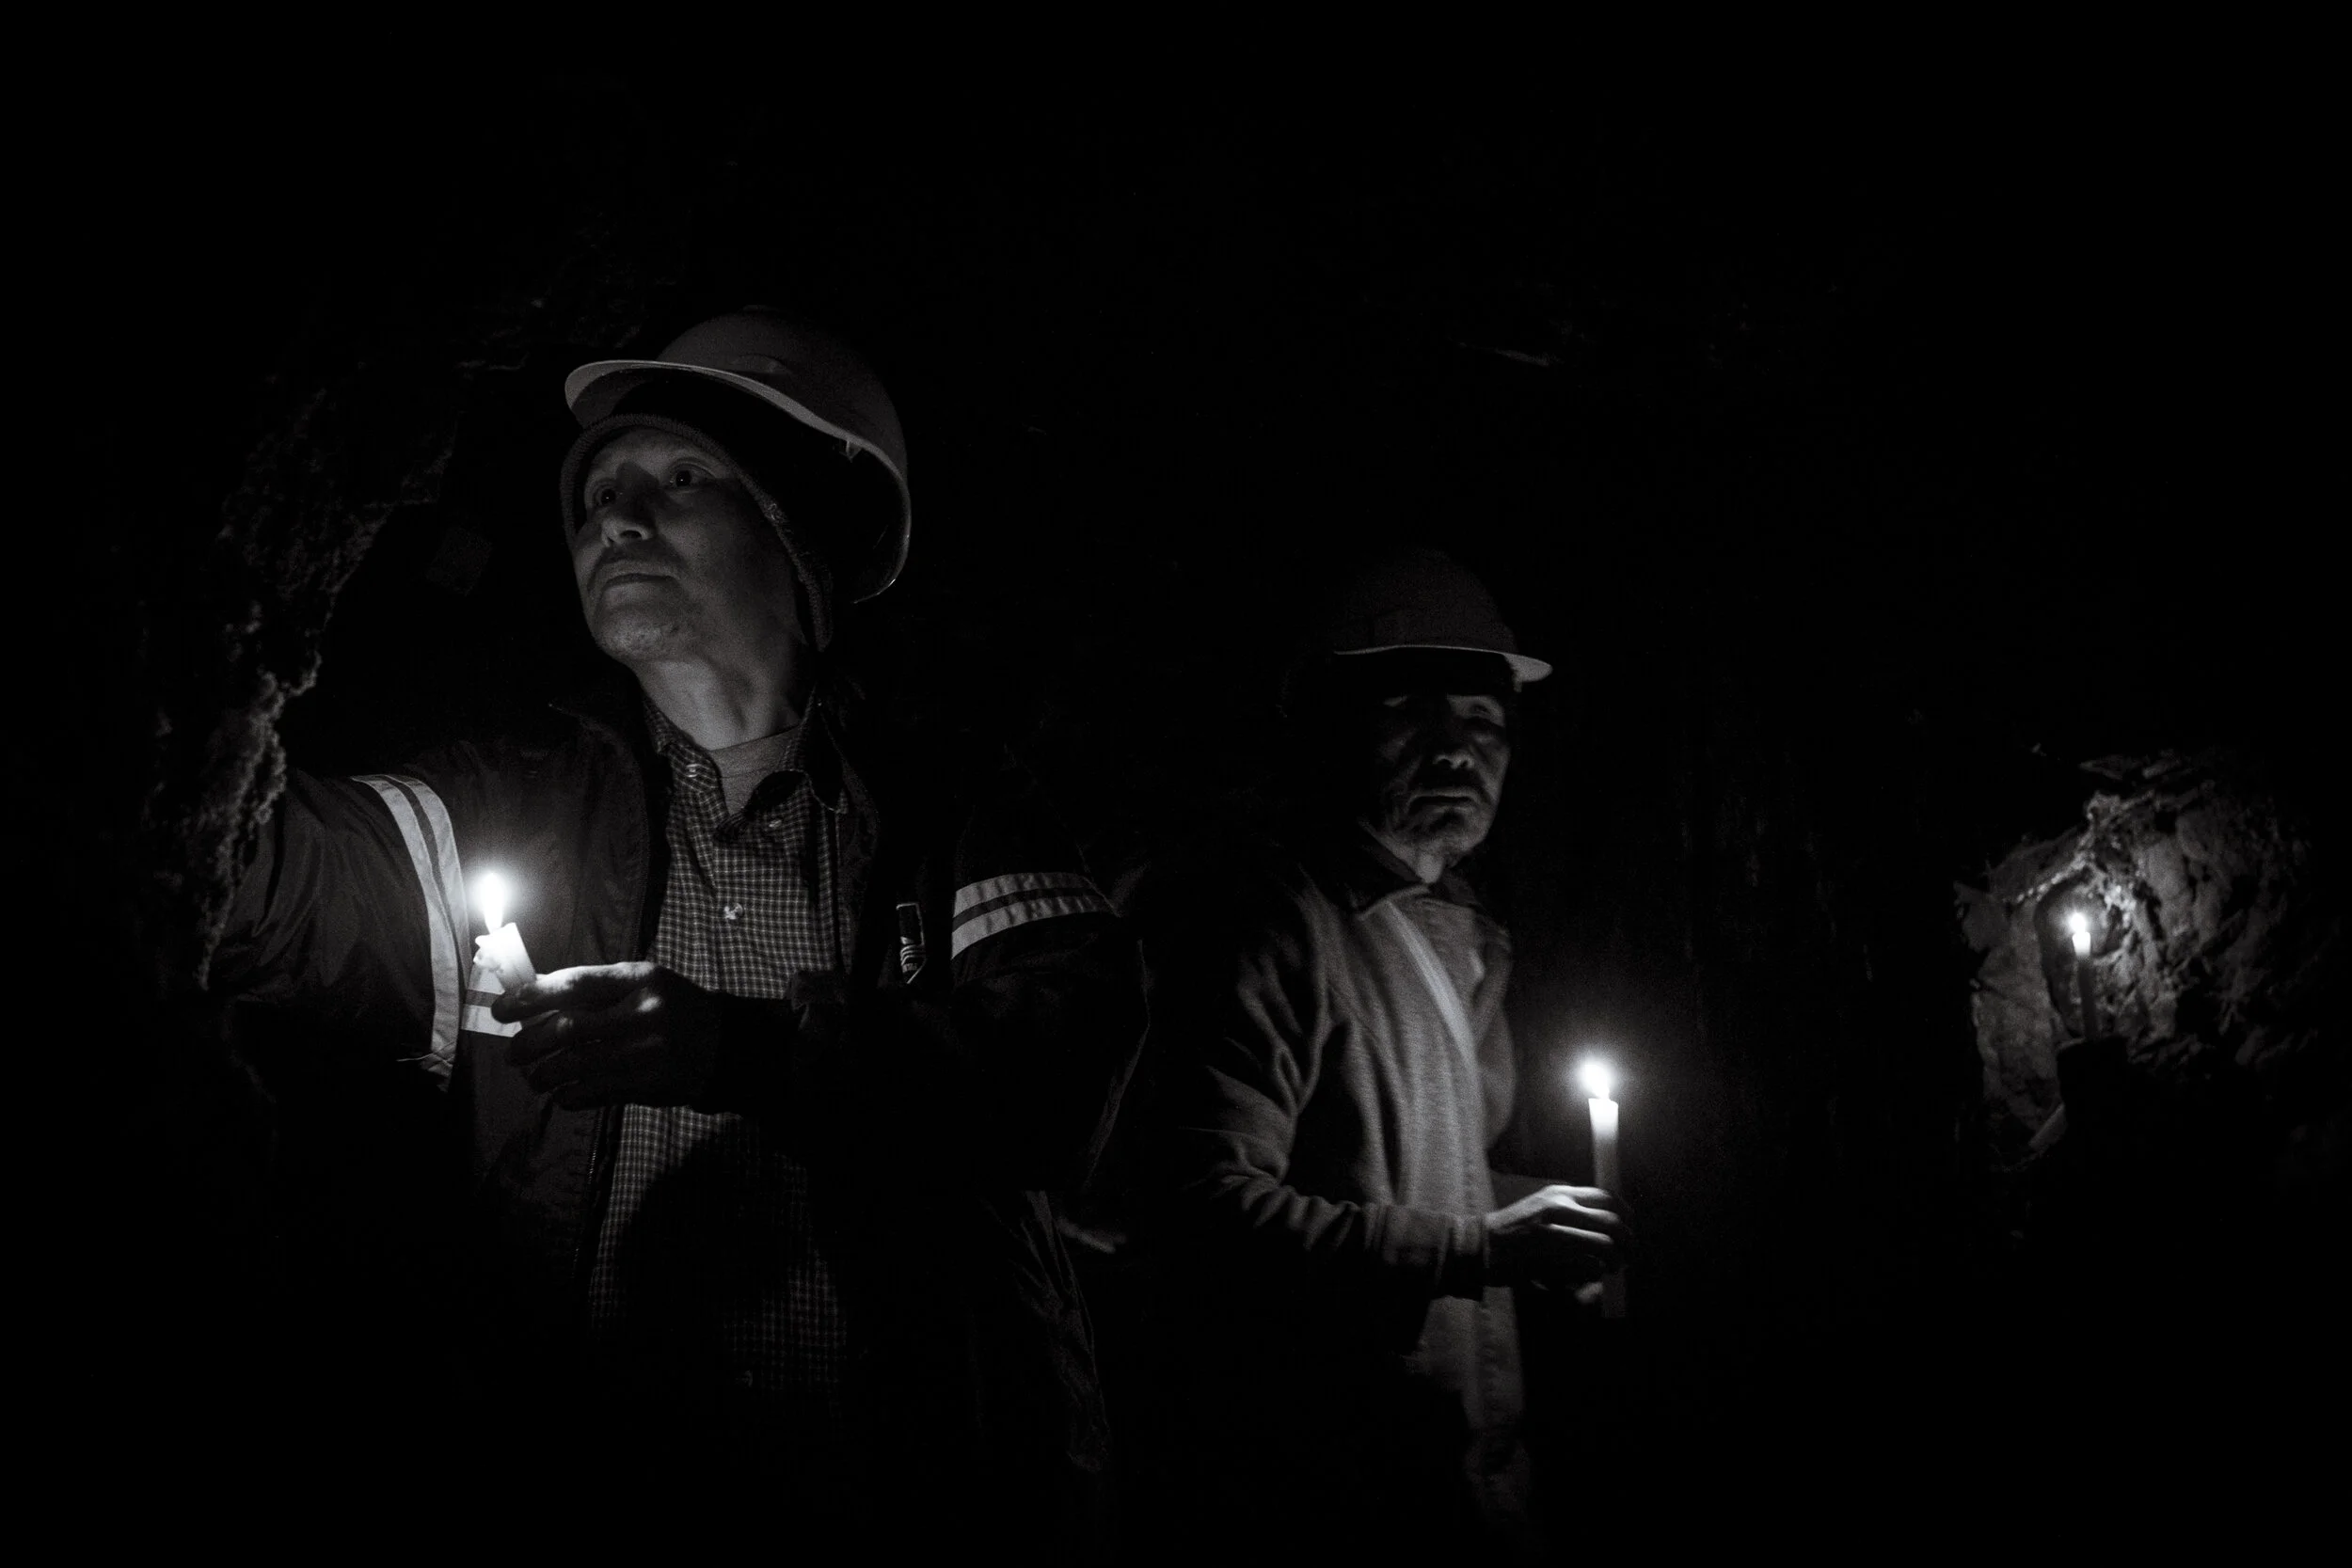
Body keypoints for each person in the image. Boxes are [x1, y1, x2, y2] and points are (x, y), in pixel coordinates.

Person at [210, 309, 1146, 1540]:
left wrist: (741, 1051)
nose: (619, 514)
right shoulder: (530, 798)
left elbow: (1055, 1075)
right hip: (606, 1498)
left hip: (915, 1506)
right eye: (601, 488)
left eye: (684, 477)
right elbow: (279, 876)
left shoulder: (955, 810)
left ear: (807, 532)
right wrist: (185, 738)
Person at [1136, 547, 1624, 1556]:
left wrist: (1541, 1227)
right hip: (1320, 1507)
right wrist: (1482, 1248)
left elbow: (1421, 1176)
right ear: (1324, 724)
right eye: (1412, 710)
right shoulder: (1264, 923)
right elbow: (1199, 1211)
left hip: (1467, 1482)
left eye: (1483, 719)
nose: (1457, 750)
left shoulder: (1463, 933)